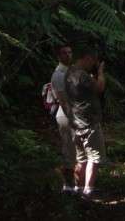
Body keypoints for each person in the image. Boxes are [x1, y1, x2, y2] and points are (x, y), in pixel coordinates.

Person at [65, 50, 106, 199]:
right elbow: (100, 87)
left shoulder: (69, 73)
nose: (93, 66)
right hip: (88, 123)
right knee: (94, 157)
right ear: (87, 57)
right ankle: (88, 191)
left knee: (81, 158)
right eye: (92, 62)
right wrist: (100, 72)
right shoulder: (82, 75)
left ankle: (78, 189)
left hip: (75, 122)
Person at [50, 44, 76, 192]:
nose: (68, 55)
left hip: (74, 114)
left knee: (75, 149)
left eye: (70, 52)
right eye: (64, 53)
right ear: (59, 56)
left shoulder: (70, 71)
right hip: (66, 116)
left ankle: (76, 184)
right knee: (68, 149)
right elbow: (62, 100)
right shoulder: (59, 74)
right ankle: (68, 185)